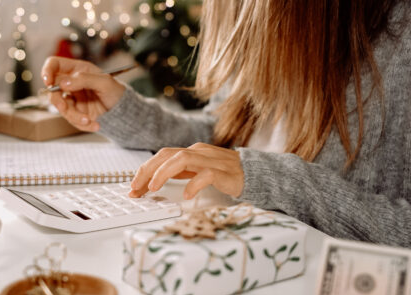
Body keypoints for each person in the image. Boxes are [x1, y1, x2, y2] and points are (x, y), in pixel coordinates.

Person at [42, 0, 410, 247]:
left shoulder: (400, 41)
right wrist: (119, 106)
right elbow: (221, 138)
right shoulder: (250, 15)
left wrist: (271, 179)